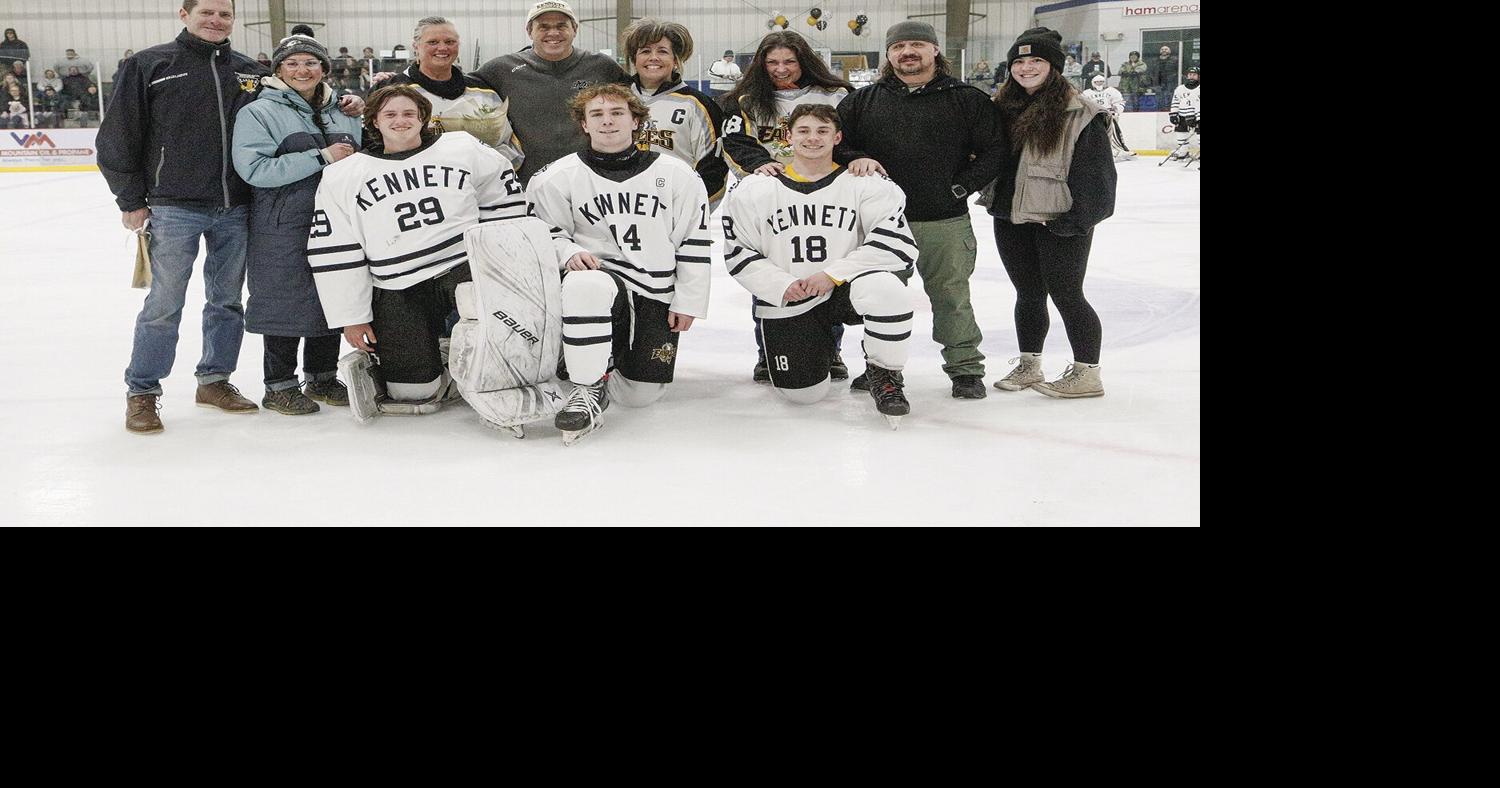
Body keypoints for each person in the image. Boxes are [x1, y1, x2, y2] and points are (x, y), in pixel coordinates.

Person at [98, 0, 364, 434]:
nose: (216, 21)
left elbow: (297, 99)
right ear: (185, 15)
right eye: (207, 12)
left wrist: (347, 102)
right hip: (173, 204)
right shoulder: (150, 64)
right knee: (165, 303)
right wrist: (130, 199)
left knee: (226, 301)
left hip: (238, 206)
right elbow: (118, 136)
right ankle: (143, 391)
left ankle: (214, 380)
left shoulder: (251, 73)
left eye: (224, 14)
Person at [308, 85, 527, 417]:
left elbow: (503, 198)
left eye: (409, 113)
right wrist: (352, 318)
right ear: (374, 121)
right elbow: (335, 250)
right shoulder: (342, 176)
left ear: (423, 118)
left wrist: (508, 267)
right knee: (414, 396)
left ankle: (473, 359)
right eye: (390, 114)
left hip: (461, 267)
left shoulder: (462, 147)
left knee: (498, 363)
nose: (401, 121)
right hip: (397, 283)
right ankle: (427, 361)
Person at [525, 84, 711, 445]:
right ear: (584, 124)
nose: (607, 122)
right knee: (586, 283)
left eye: (617, 114)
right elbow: (544, 234)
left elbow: (694, 239)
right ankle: (587, 386)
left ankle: (601, 365)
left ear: (636, 120)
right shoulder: (557, 176)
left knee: (640, 396)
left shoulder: (677, 174)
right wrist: (567, 253)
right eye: (596, 114)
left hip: (654, 289)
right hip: (599, 283)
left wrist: (687, 301)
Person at [834, 19, 1007, 399]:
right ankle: (880, 367)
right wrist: (857, 156)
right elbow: (837, 145)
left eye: (916, 45)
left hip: (943, 220)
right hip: (881, 225)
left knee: (951, 296)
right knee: (880, 298)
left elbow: (996, 150)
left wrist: (962, 186)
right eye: (899, 47)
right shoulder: (864, 101)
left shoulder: (965, 98)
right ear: (889, 54)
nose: (907, 52)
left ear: (934, 51)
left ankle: (965, 370)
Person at [721, 104, 917, 428]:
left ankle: (885, 373)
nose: (813, 138)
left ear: (837, 137)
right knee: (802, 394)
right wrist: (782, 285)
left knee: (888, 289)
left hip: (844, 290)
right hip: (793, 295)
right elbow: (739, 251)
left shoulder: (867, 183)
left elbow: (897, 245)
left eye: (823, 131)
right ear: (788, 137)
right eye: (804, 131)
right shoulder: (755, 188)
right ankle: (819, 351)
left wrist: (832, 275)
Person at [231, 29, 363, 415]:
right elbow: (254, 169)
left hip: (337, 220)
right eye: (292, 63)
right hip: (282, 223)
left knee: (333, 293)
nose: (302, 69)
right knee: (283, 301)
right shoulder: (258, 111)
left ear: (323, 68)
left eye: (310, 62)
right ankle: (279, 385)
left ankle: (322, 377)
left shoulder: (342, 109)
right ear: (278, 70)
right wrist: (320, 157)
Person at [984, 28, 1116, 398]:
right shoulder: (1002, 109)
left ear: (1054, 66)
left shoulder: (1080, 113)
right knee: (1027, 293)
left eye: (1036, 60)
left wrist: (1073, 223)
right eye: (1019, 62)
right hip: (1010, 216)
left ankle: (1087, 373)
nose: (1026, 68)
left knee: (1067, 294)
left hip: (1059, 221)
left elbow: (1099, 183)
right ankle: (1030, 364)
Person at [720, 30, 854, 382]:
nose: (781, 69)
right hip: (770, 201)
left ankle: (832, 350)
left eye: (789, 61)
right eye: (773, 62)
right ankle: (768, 352)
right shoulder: (744, 100)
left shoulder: (835, 95)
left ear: (804, 61)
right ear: (761, 64)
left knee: (825, 275)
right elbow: (734, 140)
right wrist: (757, 164)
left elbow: (849, 140)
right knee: (767, 275)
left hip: (823, 197)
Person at [473, 0, 627, 183]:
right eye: (543, 27)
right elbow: (455, 88)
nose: (553, 33)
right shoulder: (502, 70)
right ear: (529, 31)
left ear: (575, 29)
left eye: (561, 26)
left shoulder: (602, 66)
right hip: (527, 184)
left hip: (592, 182)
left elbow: (644, 93)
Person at [382, 17, 518, 165]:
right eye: (433, 42)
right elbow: (373, 143)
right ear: (416, 46)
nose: (442, 48)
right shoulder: (390, 90)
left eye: (449, 42)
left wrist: (483, 166)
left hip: (476, 183)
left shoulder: (483, 91)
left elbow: (508, 146)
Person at [622, 19, 727, 205]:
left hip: (677, 208)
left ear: (676, 61)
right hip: (622, 206)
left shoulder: (698, 105)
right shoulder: (616, 99)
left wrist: (690, 209)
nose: (653, 57)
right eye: (645, 51)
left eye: (662, 51)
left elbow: (713, 169)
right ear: (634, 59)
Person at [1083, 73, 1135, 160]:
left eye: (1101, 82)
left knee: (1113, 134)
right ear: (1093, 82)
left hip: (1109, 116)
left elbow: (1120, 102)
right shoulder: (1086, 93)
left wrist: (1116, 110)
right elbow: (1083, 105)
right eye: (1097, 82)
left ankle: (1118, 150)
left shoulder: (1111, 91)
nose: (1099, 83)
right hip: (1094, 118)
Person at [1167, 66, 1199, 162]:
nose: (1191, 77)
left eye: (1194, 75)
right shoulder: (1180, 89)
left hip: (1196, 116)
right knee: (1181, 135)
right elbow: (1175, 102)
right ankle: (1183, 153)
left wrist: (1197, 117)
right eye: (1190, 74)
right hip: (1182, 115)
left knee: (1199, 136)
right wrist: (1173, 113)